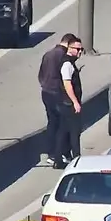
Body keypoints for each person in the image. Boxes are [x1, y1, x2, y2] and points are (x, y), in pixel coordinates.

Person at [38, 33, 76, 166]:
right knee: (63, 124)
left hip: (46, 92)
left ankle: (51, 153)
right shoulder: (63, 58)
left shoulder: (48, 54)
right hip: (58, 94)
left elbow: (41, 74)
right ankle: (63, 153)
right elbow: (65, 78)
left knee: (52, 122)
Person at [56, 36, 85, 168]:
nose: (80, 52)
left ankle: (58, 159)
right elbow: (67, 84)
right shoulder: (67, 64)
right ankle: (77, 159)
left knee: (63, 132)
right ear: (69, 48)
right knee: (74, 132)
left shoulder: (70, 63)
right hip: (69, 104)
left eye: (81, 49)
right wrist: (75, 102)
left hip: (66, 103)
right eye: (77, 49)